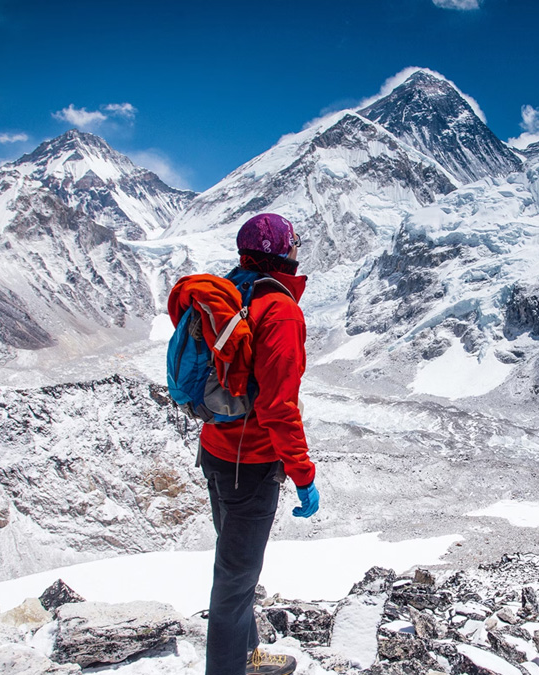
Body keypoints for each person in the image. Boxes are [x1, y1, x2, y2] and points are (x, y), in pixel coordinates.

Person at [198, 213, 319, 675]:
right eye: (295, 242)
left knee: (237, 571)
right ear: (283, 251)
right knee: (235, 580)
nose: (298, 249)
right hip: (250, 464)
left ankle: (247, 657)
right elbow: (278, 406)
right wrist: (303, 474)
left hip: (216, 451)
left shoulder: (231, 292)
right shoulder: (279, 309)